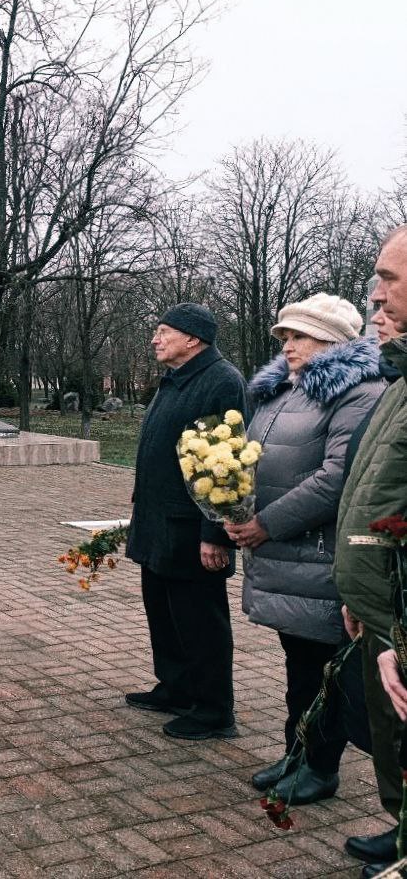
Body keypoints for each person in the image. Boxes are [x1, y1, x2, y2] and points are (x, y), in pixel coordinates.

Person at [225, 294, 384, 805]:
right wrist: (230, 503)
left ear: (333, 340)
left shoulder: (357, 393)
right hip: (285, 556)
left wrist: (265, 524)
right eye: (285, 337)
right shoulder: (281, 391)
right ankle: (298, 752)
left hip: (317, 554)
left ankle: (320, 766)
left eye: (300, 336)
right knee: (300, 666)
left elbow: (337, 477)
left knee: (323, 671)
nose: (288, 346)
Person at [124, 303, 248, 740]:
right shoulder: (175, 380)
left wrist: (215, 534)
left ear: (193, 339)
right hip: (159, 522)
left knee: (200, 620)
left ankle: (214, 710)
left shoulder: (221, 382)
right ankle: (176, 688)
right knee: (163, 610)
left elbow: (228, 466)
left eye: (163, 332)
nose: (155, 339)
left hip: (191, 530)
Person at [334, 226, 407, 876]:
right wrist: (359, 595)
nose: (375, 298)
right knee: (390, 740)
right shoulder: (398, 386)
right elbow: (373, 496)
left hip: (401, 620)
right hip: (380, 607)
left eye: (388, 279)